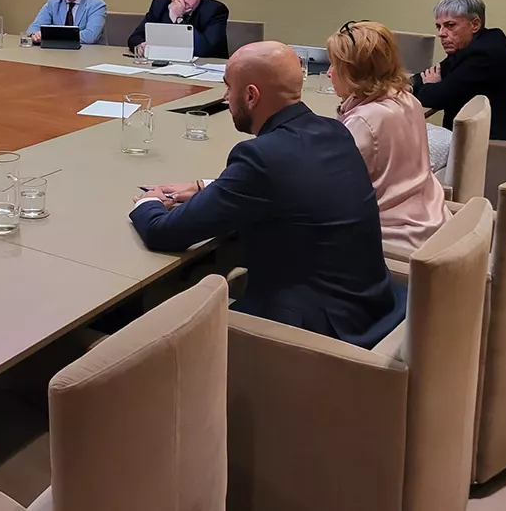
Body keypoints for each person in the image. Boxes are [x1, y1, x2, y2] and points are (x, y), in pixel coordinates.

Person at [132, 41, 404, 348]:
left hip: (318, 335)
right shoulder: (334, 131)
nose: (225, 97)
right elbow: (292, 186)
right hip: (373, 308)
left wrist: (149, 202)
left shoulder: (259, 158)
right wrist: (208, 188)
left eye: (227, 88)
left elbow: (164, 233)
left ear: (250, 95)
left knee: (165, 327)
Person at [327, 21, 449, 255]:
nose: (330, 73)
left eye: (336, 65)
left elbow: (334, 192)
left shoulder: (364, 121)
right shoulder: (407, 100)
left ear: (357, 73)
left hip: (392, 240)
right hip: (429, 219)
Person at [412, 0, 506, 143]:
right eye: (438, 26)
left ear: (475, 25)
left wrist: (429, 85)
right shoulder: (474, 46)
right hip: (489, 143)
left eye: (450, 25)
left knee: (413, 146)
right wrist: (407, 85)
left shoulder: (484, 55)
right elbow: (433, 73)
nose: (441, 34)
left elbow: (433, 99)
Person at [128, 0, 229, 59]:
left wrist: (177, 18)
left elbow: (206, 50)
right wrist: (141, 45)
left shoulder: (215, 10)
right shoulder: (159, 5)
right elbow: (134, 38)